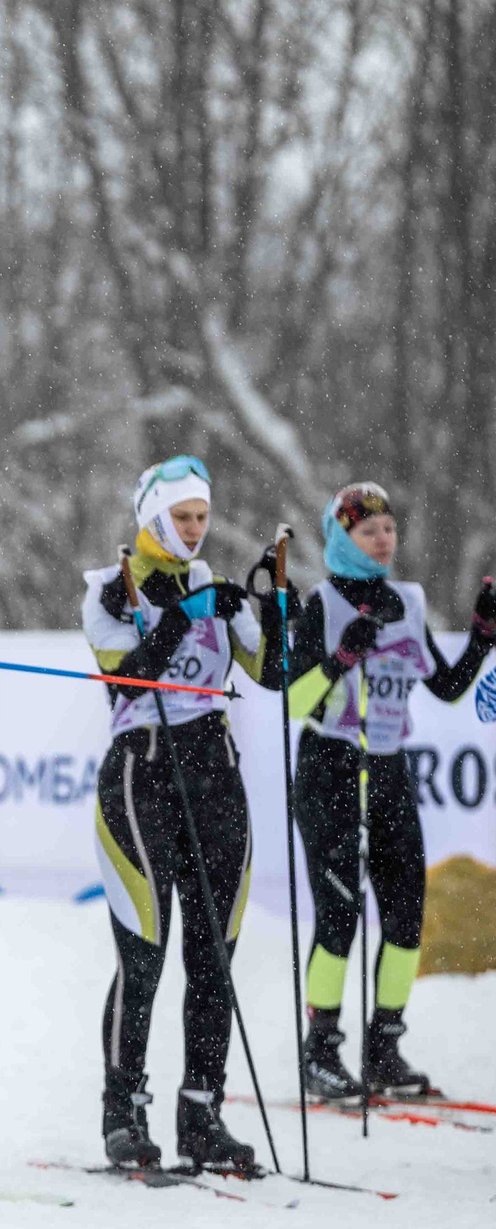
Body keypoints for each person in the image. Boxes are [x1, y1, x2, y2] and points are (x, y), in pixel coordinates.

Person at [79, 455, 287, 1172]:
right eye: (182, 517)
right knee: (144, 956)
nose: (195, 530)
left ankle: (202, 1114)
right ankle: (122, 1110)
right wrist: (180, 618)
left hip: (214, 774)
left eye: (202, 516)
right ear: (153, 516)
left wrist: (272, 608)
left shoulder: (210, 587)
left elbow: (274, 674)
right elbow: (128, 671)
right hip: (143, 771)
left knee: (215, 959)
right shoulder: (110, 588)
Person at [286, 483, 495, 1100]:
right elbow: (294, 703)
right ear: (341, 539)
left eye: (389, 528)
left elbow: (449, 687)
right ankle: (320, 1050)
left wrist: (483, 635)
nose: (385, 540)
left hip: (389, 768)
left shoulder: (407, 600)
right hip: (329, 764)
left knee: (406, 916)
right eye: (369, 530)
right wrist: (340, 659)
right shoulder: (320, 605)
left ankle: (385, 1048)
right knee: (340, 916)